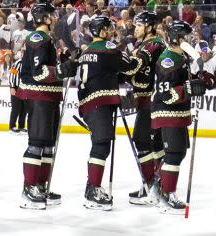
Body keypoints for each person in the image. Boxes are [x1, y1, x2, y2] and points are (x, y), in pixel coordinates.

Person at [77, 15, 141, 210]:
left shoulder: (86, 51)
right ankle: (93, 190)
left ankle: (92, 186)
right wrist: (138, 55)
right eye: (108, 28)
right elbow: (131, 66)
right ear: (102, 31)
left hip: (88, 104)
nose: (111, 32)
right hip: (100, 102)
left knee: (99, 144)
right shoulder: (109, 48)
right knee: (101, 145)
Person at [18, 3, 78, 209]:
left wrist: (63, 61)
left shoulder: (47, 40)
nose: (54, 19)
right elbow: (39, 72)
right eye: (51, 15)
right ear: (43, 18)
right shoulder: (38, 38)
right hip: (39, 96)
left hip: (49, 97)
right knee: (37, 141)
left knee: (47, 144)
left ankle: (41, 185)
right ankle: (29, 188)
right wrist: (63, 69)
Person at [151, 20, 208, 214]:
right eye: (187, 36)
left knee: (179, 153)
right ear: (178, 38)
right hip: (168, 112)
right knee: (174, 154)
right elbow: (166, 93)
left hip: (177, 112)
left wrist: (203, 78)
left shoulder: (181, 57)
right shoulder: (169, 58)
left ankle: (159, 189)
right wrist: (189, 88)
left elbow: (186, 83)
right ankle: (167, 196)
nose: (191, 39)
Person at [126, 11, 166, 206]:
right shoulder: (143, 44)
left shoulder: (154, 44)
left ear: (149, 27)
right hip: (146, 100)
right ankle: (156, 184)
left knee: (142, 141)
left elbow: (134, 66)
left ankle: (152, 185)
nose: (136, 28)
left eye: (140, 25)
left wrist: (111, 59)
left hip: (152, 100)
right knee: (154, 145)